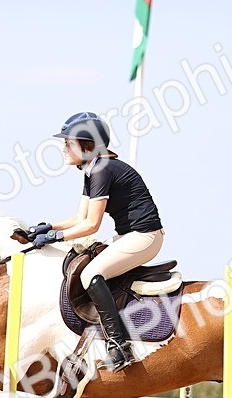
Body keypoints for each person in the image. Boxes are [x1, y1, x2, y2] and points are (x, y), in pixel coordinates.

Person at [29, 112, 165, 372]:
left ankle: (119, 345)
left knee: (91, 273)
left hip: (145, 237)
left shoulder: (102, 170)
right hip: (129, 236)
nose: (63, 148)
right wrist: (49, 226)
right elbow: (79, 216)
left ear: (88, 146)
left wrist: (55, 237)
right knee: (84, 260)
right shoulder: (92, 170)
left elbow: (91, 225)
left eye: (68, 143)